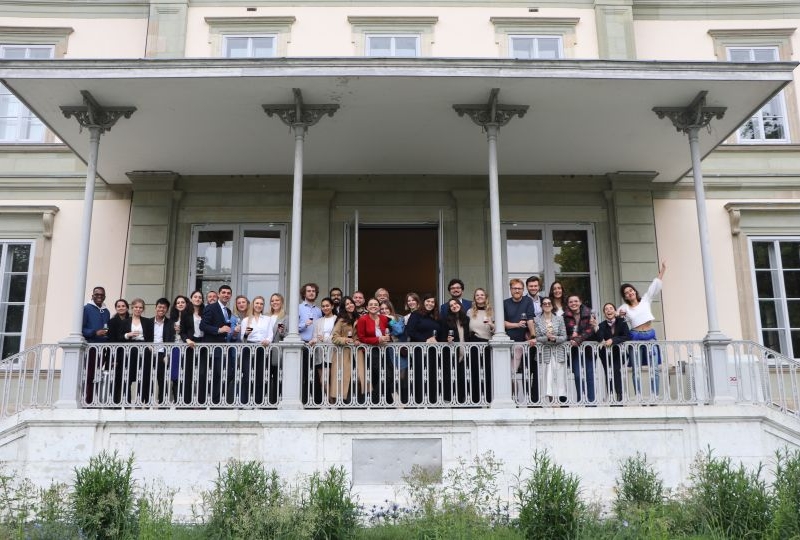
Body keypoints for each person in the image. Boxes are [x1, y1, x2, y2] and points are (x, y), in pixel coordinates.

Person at [618, 261, 667, 398]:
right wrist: (620, 316)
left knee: (654, 369)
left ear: (635, 291)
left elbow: (655, 285)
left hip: (650, 335)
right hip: (635, 337)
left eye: (631, 290)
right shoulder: (624, 307)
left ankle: (654, 396)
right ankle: (639, 395)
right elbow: (613, 316)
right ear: (625, 296)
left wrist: (663, 270)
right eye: (626, 293)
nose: (629, 293)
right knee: (636, 369)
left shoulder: (645, 300)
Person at [503, 278, 537, 403]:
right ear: (510, 290)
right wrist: (517, 325)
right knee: (510, 373)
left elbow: (530, 320)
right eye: (514, 288)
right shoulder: (505, 303)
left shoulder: (527, 301)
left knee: (526, 373)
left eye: (519, 288)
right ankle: (514, 399)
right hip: (507, 343)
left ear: (523, 290)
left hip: (524, 343)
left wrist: (533, 336)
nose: (517, 290)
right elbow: (502, 323)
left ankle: (528, 400)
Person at [200, 285, 234, 405]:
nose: (226, 295)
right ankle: (213, 401)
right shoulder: (211, 307)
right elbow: (203, 326)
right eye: (223, 292)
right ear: (219, 294)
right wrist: (219, 330)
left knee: (228, 374)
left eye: (228, 293)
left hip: (224, 348)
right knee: (217, 375)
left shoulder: (228, 311)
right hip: (213, 348)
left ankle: (215, 400)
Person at [356, 297, 393, 404]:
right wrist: (378, 339)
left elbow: (391, 331)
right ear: (367, 307)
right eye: (371, 304)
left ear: (378, 307)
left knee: (390, 374)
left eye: (376, 304)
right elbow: (361, 337)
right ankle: (376, 400)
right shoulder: (363, 319)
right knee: (382, 376)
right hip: (371, 351)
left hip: (384, 349)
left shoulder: (384, 318)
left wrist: (387, 337)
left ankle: (384, 401)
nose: (373, 306)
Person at [406, 294, 441, 404]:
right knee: (419, 374)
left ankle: (432, 400)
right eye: (428, 301)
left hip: (433, 351)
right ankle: (419, 400)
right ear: (423, 302)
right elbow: (409, 331)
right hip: (418, 350)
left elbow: (440, 332)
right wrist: (425, 340)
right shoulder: (416, 314)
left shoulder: (436, 317)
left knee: (432, 374)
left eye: (432, 302)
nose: (430, 304)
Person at [241, 295, 274, 405]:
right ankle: (246, 402)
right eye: (257, 303)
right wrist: (246, 333)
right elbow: (242, 338)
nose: (259, 305)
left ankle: (258, 402)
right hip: (249, 347)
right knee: (247, 375)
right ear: (253, 305)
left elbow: (270, 334)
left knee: (260, 376)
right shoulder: (246, 320)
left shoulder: (267, 319)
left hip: (262, 347)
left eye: (261, 304)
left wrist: (267, 340)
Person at [534, 298, 568, 404]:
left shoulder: (559, 319)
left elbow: (564, 336)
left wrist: (555, 339)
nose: (547, 305)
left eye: (549, 303)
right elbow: (537, 337)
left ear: (552, 306)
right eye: (545, 304)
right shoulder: (536, 320)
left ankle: (558, 401)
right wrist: (547, 338)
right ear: (541, 306)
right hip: (545, 353)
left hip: (558, 352)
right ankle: (551, 401)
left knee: (559, 376)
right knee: (547, 377)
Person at [595, 302, 631, 403]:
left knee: (615, 370)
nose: (609, 310)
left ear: (615, 311)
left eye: (611, 308)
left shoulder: (622, 322)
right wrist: (595, 328)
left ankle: (619, 395)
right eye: (606, 309)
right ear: (604, 313)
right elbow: (600, 338)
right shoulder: (601, 325)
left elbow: (627, 336)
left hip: (619, 353)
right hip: (605, 355)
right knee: (608, 373)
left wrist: (613, 340)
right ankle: (611, 396)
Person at [563, 294, 596, 403]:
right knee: (577, 375)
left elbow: (591, 330)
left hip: (588, 350)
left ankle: (591, 401)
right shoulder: (564, 317)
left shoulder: (589, 314)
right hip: (573, 350)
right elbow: (562, 333)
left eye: (576, 301)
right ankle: (581, 399)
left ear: (580, 302)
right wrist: (570, 338)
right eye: (571, 302)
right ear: (568, 304)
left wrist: (579, 339)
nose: (573, 303)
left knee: (589, 374)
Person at [122, 298, 154, 404]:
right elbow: (120, 336)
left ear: (143, 309)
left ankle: (143, 401)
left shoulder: (147, 321)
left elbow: (150, 337)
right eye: (136, 307)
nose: (138, 309)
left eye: (140, 307)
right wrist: (128, 335)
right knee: (129, 374)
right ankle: (126, 400)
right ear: (132, 308)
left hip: (144, 348)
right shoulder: (125, 321)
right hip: (130, 349)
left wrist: (149, 345)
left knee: (144, 374)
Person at [331, 296, 362, 403]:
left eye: (351, 303)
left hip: (357, 353)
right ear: (344, 307)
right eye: (347, 304)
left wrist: (357, 340)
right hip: (343, 353)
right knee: (345, 379)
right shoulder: (341, 320)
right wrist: (346, 340)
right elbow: (334, 337)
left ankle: (357, 402)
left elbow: (360, 335)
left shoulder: (359, 319)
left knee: (358, 377)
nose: (350, 305)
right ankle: (344, 402)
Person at [82, 286, 110, 404]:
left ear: (104, 296)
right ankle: (89, 401)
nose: (99, 296)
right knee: (90, 375)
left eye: (101, 295)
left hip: (103, 348)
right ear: (92, 295)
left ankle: (98, 400)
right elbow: (80, 329)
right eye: (97, 294)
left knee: (100, 375)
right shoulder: (86, 309)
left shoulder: (106, 311)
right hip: (91, 347)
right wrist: (94, 332)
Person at [441, 298, 471, 404]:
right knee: (452, 376)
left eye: (455, 304)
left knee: (463, 377)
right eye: (451, 305)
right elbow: (442, 335)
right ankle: (451, 400)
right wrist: (447, 339)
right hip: (452, 352)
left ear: (460, 305)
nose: (454, 306)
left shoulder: (466, 319)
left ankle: (462, 399)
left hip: (465, 352)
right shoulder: (446, 320)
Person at [467, 288, 493, 403]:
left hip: (487, 344)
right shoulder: (470, 312)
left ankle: (488, 398)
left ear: (486, 297)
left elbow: (498, 329)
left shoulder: (492, 311)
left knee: (488, 371)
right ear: (474, 298)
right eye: (477, 295)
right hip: (474, 343)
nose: (479, 297)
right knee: (474, 371)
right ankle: (475, 399)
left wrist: (491, 324)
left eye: (482, 295)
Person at [310, 297, 338, 404]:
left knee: (326, 379)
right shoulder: (318, 321)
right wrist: (314, 340)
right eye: (323, 306)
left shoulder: (337, 319)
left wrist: (325, 339)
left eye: (327, 305)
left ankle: (332, 401)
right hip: (320, 353)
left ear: (332, 306)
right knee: (323, 382)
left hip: (333, 353)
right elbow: (315, 336)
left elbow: (337, 336)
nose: (325, 308)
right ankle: (331, 402)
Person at [298, 283, 323, 404]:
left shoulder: (319, 310)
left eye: (313, 291)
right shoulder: (298, 308)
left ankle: (315, 401)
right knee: (303, 374)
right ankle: (303, 401)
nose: (311, 293)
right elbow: (291, 328)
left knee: (316, 374)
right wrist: (304, 325)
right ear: (304, 293)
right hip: (303, 345)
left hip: (316, 345)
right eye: (309, 291)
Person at [381, 300, 408, 404]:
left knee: (402, 377)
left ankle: (404, 401)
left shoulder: (398, 318)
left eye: (386, 308)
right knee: (389, 377)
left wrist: (391, 320)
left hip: (399, 352)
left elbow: (399, 331)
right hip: (386, 352)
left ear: (390, 308)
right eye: (382, 309)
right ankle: (391, 402)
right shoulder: (379, 320)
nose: (384, 311)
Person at [167, 295, 192, 403]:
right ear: (175, 306)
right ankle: (177, 399)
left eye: (182, 302)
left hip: (187, 348)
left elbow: (191, 333)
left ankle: (185, 401)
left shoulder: (190, 317)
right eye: (178, 303)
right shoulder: (172, 319)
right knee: (175, 375)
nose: (180, 304)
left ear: (186, 304)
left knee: (186, 376)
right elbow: (167, 335)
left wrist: (182, 331)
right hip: (175, 348)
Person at [152, 297, 176, 404]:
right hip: (150, 353)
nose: (161, 309)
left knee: (162, 380)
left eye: (164, 308)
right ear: (156, 307)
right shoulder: (148, 321)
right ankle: (146, 403)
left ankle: (162, 404)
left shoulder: (171, 323)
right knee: (146, 379)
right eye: (159, 307)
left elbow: (171, 339)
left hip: (163, 354)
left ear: (167, 310)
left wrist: (168, 354)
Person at [183, 290, 205, 405]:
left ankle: (201, 401)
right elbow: (182, 331)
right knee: (188, 373)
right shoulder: (186, 314)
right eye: (195, 297)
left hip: (202, 344)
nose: (197, 299)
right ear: (191, 299)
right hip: (190, 344)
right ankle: (187, 401)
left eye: (200, 297)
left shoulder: (205, 312)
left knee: (202, 373)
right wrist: (187, 340)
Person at [107, 298, 129, 405]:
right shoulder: (112, 322)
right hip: (116, 354)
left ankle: (126, 403)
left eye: (123, 306)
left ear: (127, 307)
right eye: (118, 306)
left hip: (128, 354)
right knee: (115, 379)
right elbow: (111, 340)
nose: (121, 308)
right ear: (116, 308)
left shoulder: (131, 320)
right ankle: (114, 402)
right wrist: (113, 358)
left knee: (127, 379)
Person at [266, 293, 287, 405]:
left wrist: (282, 332)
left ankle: (277, 401)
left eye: (277, 300)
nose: (275, 302)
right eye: (272, 300)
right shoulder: (265, 316)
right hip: (266, 351)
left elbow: (289, 334)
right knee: (266, 376)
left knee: (278, 377)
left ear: (281, 302)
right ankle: (266, 401)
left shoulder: (286, 317)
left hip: (278, 352)